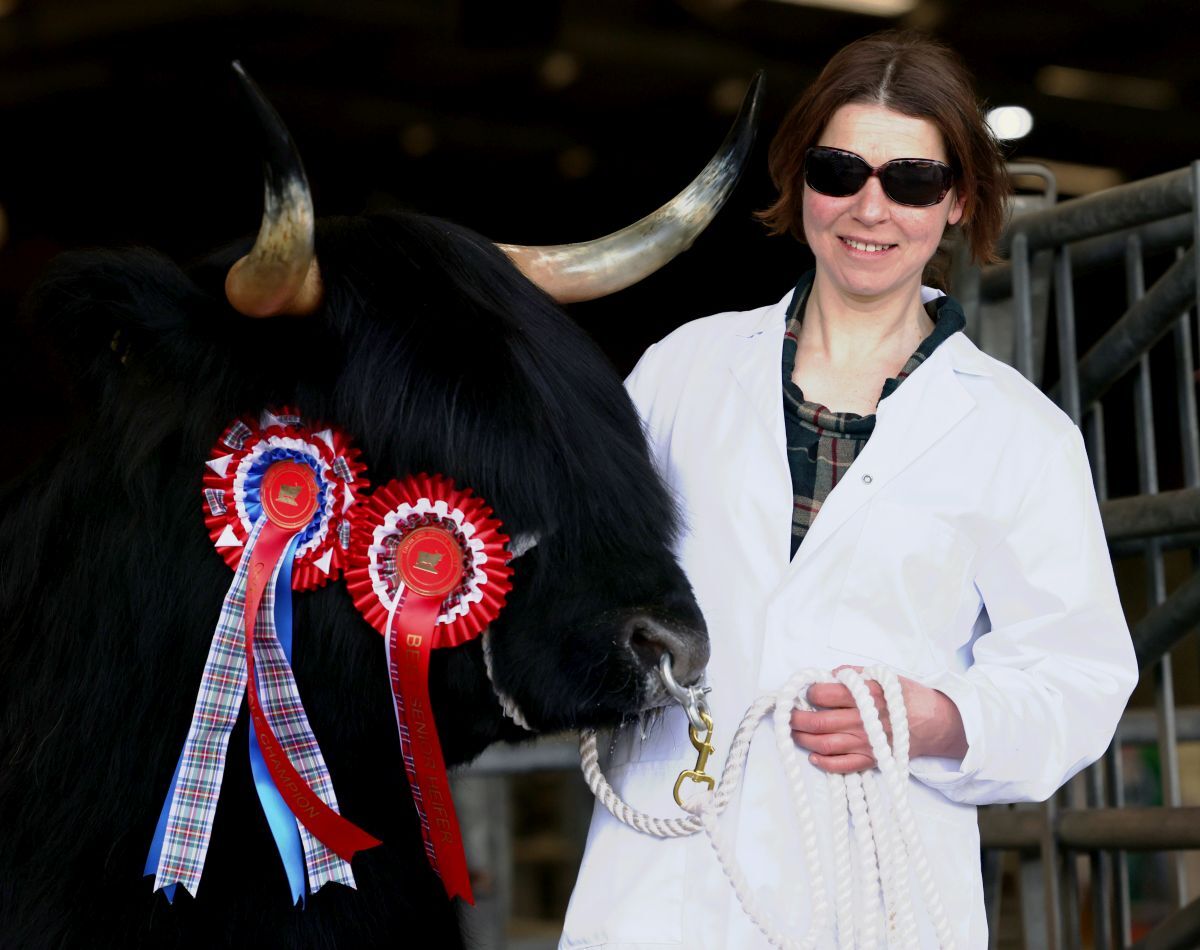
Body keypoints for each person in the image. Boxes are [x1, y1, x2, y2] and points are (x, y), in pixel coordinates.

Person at [560, 30, 1138, 949]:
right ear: (799, 181)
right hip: (663, 883)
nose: (871, 208)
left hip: (880, 889)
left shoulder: (1019, 433)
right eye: (840, 170)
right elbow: (581, 567)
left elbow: (1079, 679)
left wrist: (944, 720)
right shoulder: (684, 370)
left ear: (957, 202)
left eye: (912, 181)